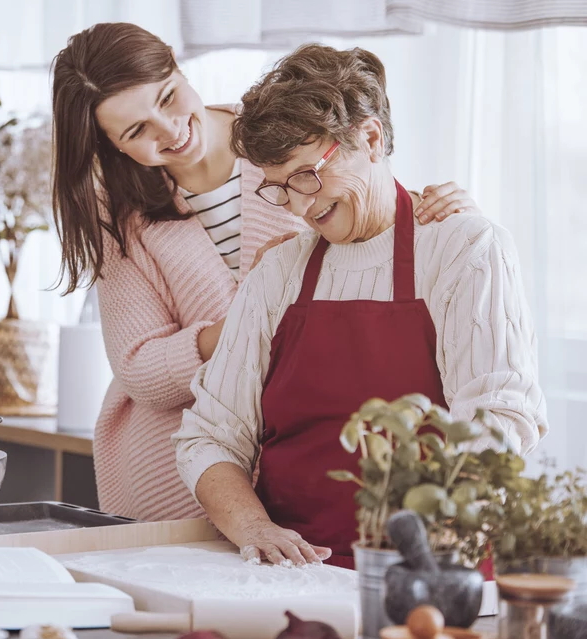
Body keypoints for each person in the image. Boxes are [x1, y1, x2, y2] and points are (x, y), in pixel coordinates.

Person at [51, 22, 482, 521]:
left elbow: (369, 195)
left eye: (167, 98)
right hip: (176, 474)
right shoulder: (116, 212)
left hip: (299, 463)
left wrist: (448, 218)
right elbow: (141, 371)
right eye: (135, 131)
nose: (169, 130)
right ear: (112, 146)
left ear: (176, 61)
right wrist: (252, 311)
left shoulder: (275, 133)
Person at [172, 43, 547, 568]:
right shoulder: (277, 272)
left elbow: (501, 416)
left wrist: (424, 548)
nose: (301, 207)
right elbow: (209, 436)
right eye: (280, 188)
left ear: (370, 137)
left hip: (430, 575)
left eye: (308, 174)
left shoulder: (464, 249)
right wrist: (254, 528)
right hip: (292, 577)